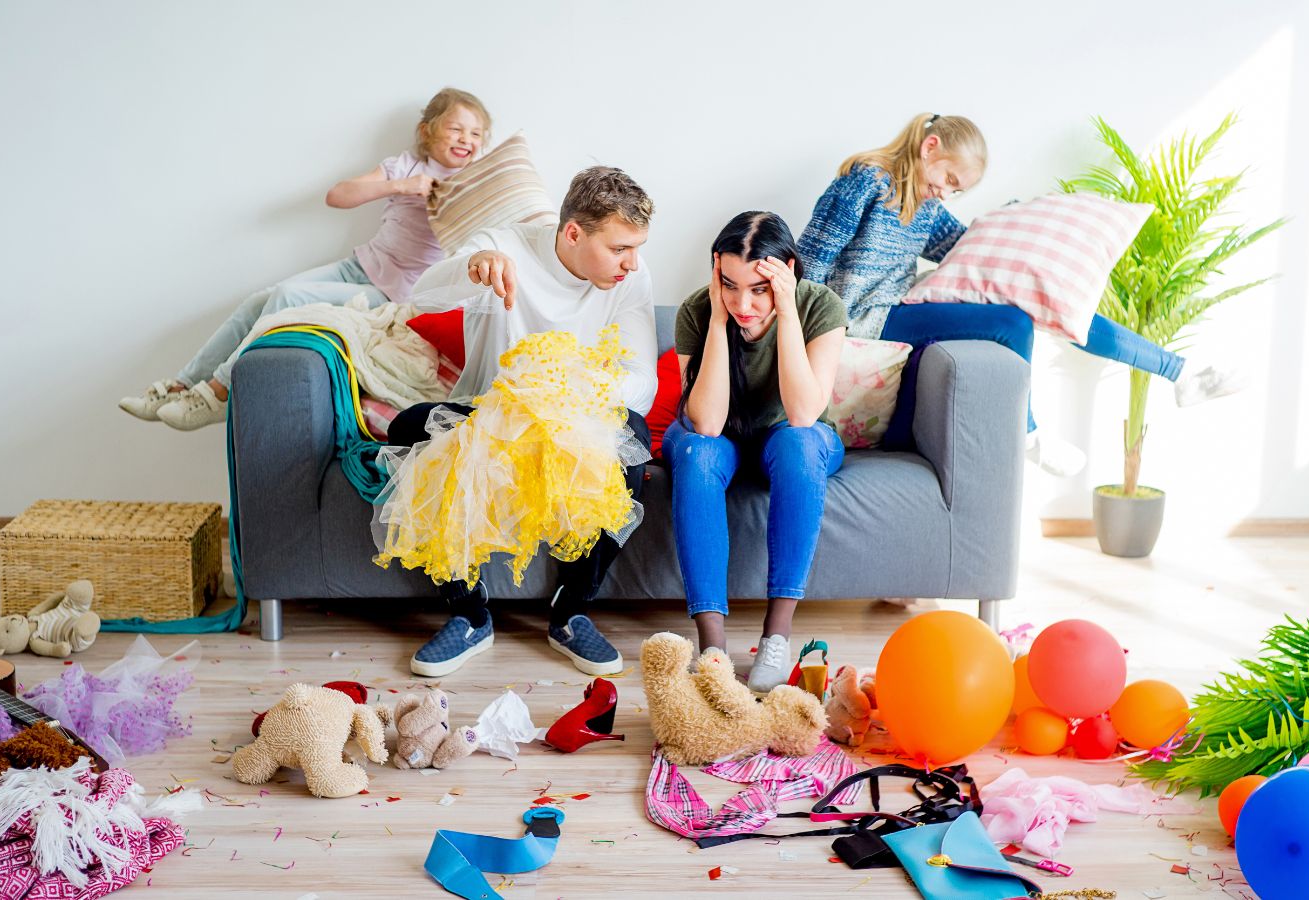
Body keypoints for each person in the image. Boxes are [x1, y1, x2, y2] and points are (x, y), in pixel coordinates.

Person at [797, 113, 1244, 476]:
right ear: (929, 148)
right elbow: (811, 260)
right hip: (860, 318)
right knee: (1013, 323)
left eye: (958, 190)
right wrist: (800, 339)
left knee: (1049, 302)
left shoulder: (929, 208)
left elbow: (969, 247)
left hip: (895, 308)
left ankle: (1179, 372)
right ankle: (1027, 433)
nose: (947, 192)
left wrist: (1028, 237)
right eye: (949, 179)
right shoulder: (865, 182)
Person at [389, 166, 658, 678]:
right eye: (620, 248)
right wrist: (471, 266)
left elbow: (642, 377)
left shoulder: (632, 278)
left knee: (634, 438)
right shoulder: (504, 245)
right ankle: (470, 616)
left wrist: (575, 393)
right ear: (574, 233)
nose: (633, 262)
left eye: (637, 247)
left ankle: (571, 609)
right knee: (409, 429)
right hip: (489, 413)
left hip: (576, 417)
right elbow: (421, 296)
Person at [119, 87, 491, 431]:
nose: (466, 139)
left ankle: (219, 390)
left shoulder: (472, 184)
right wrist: (401, 186)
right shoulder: (406, 166)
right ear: (427, 130)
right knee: (257, 301)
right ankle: (182, 384)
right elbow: (338, 195)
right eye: (456, 128)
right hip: (359, 267)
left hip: (394, 293)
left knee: (287, 296)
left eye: (476, 134)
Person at [663, 211, 847, 694]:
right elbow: (706, 422)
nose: (743, 302)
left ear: (786, 272)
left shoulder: (819, 307)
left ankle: (776, 637)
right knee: (698, 452)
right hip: (720, 438)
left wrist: (785, 314)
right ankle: (712, 646)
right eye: (729, 284)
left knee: (800, 443)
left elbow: (804, 413)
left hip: (791, 437)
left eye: (758, 289)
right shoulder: (699, 310)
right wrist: (719, 321)